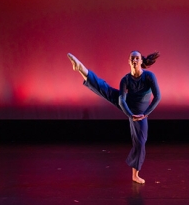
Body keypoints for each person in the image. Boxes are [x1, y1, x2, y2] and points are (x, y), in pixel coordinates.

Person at [67, 50, 161, 184]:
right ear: (129, 61)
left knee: (140, 142)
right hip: (129, 106)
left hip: (141, 112)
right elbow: (122, 100)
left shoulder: (149, 76)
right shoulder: (125, 79)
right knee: (105, 90)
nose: (134, 60)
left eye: (137, 58)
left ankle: (135, 174)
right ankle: (82, 69)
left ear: (141, 61)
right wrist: (130, 115)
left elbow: (158, 97)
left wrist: (144, 114)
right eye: (132, 58)